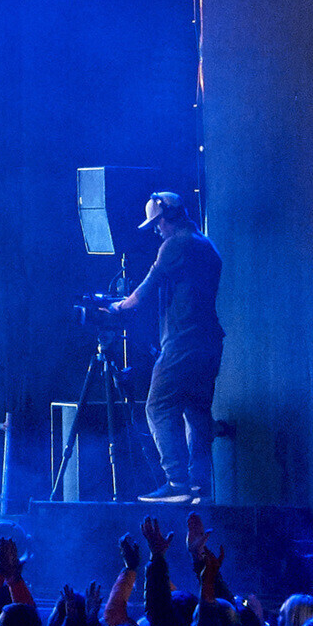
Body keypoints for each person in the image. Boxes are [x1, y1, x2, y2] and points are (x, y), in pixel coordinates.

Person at [110, 189, 222, 502]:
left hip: (183, 342)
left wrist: (117, 307)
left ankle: (176, 484)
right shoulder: (207, 245)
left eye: (158, 223)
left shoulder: (176, 244)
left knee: (157, 407)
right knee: (196, 413)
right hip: (209, 343)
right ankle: (199, 486)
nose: (157, 230)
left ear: (171, 215)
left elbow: (144, 291)